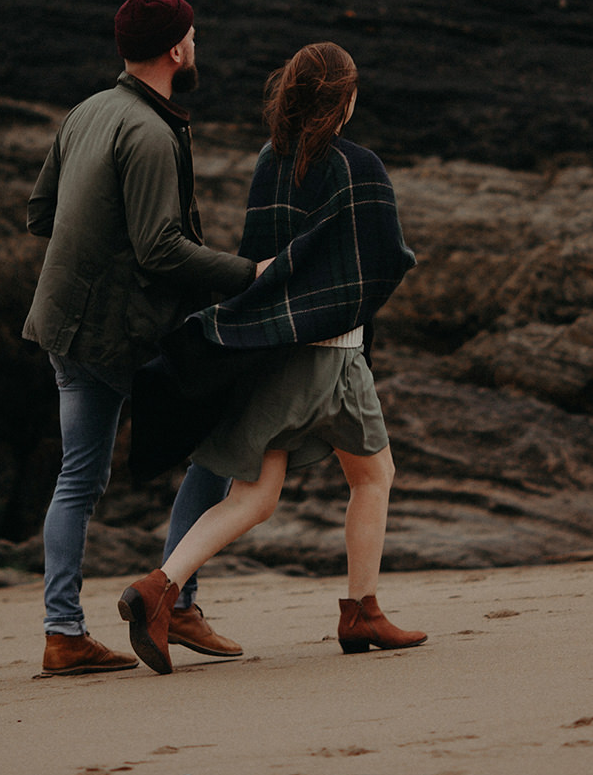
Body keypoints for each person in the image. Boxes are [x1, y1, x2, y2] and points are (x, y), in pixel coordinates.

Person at [117, 42, 425, 675]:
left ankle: (158, 588)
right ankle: (359, 610)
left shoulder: (271, 161)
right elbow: (383, 261)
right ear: (343, 99)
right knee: (373, 477)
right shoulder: (358, 166)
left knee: (256, 496)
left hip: (276, 348)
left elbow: (263, 257)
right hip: (334, 359)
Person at [23, 0, 265, 676]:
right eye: (194, 36)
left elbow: (43, 213)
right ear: (175, 48)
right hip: (113, 332)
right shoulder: (151, 131)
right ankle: (178, 601)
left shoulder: (87, 112)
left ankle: (62, 633)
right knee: (221, 438)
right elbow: (160, 248)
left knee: (77, 478)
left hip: (60, 323)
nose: (197, 46)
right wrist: (250, 272)